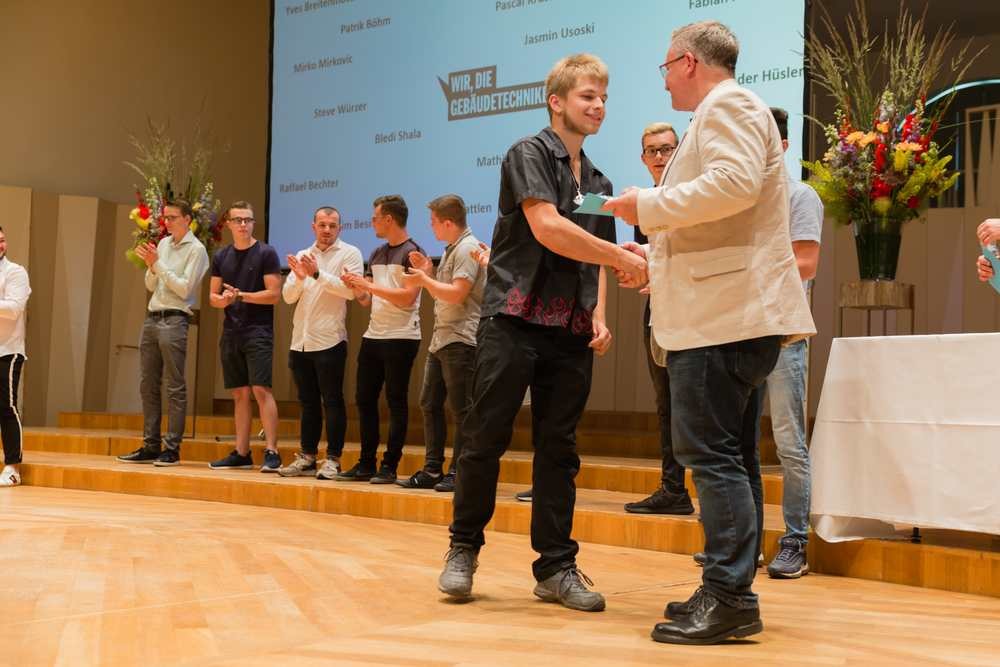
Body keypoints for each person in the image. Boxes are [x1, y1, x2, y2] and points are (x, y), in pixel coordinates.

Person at [603, 21, 815, 644]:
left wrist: (644, 206)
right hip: (724, 312)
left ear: (688, 62)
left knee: (714, 458)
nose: (665, 79)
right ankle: (729, 588)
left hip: (722, 319)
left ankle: (729, 595)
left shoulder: (730, 105)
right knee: (731, 456)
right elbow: (725, 219)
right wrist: (655, 260)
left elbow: (732, 187)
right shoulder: (725, 111)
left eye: (666, 67)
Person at [437, 53, 647, 613]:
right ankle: (463, 548)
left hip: (570, 330)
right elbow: (549, 228)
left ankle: (555, 567)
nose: (598, 106)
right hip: (513, 320)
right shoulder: (527, 154)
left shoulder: (599, 182)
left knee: (560, 449)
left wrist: (599, 313)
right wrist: (622, 259)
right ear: (556, 102)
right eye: (587, 96)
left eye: (604, 98)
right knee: (484, 437)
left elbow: (595, 261)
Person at [761, 107, 823, 579]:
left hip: (783, 333)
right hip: (738, 330)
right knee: (735, 445)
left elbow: (806, 264)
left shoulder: (800, 196)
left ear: (782, 146)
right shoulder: (743, 198)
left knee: (788, 443)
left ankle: (795, 541)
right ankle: (739, 543)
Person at [622, 121, 694, 516]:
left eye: (667, 149)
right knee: (665, 402)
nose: (660, 157)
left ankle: (704, 491)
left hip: (693, 309)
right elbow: (650, 260)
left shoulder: (691, 194)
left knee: (693, 404)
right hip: (657, 309)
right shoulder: (643, 203)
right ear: (643, 158)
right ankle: (673, 488)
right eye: (653, 150)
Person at [397, 194, 484, 493]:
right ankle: (433, 468)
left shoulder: (468, 248)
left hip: (461, 338)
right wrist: (429, 272)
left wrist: (424, 281)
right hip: (442, 339)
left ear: (448, 223)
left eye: (433, 222)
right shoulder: (452, 249)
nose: (431, 227)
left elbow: (457, 294)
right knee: (429, 403)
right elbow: (446, 288)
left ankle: (460, 471)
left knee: (461, 409)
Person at [339, 195, 424, 484]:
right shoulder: (376, 253)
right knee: (364, 399)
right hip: (374, 335)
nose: (372, 222)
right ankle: (366, 463)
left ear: (389, 219)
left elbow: (407, 298)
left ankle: (389, 466)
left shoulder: (414, 253)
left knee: (396, 401)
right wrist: (356, 287)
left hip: (402, 336)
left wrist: (369, 286)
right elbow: (366, 300)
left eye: (375, 218)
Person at [118, 200, 209, 467]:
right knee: (147, 384)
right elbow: (151, 284)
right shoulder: (163, 244)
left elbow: (184, 289)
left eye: (172, 217)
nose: (166, 222)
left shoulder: (197, 250)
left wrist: (158, 265)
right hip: (152, 317)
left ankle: (172, 448)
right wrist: (151, 266)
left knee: (175, 385)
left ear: (187, 219)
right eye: (165, 218)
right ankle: (150, 444)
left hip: (175, 319)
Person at [277, 206, 363, 480]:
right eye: (322, 225)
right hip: (301, 341)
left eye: (332, 225)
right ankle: (307, 457)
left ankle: (333, 459)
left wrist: (317, 274)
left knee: (333, 401)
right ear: (313, 226)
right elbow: (288, 297)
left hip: (330, 340)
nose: (327, 230)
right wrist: (301, 278)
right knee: (308, 403)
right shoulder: (304, 254)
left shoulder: (350, 253)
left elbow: (350, 292)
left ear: (340, 228)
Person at [207, 201, 284, 471]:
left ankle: (272, 450)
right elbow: (213, 297)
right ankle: (242, 452)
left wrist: (242, 296)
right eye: (238, 220)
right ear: (229, 224)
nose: (243, 225)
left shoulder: (266, 252)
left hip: (258, 331)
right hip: (231, 331)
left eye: (248, 220)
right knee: (239, 393)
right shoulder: (221, 256)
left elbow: (274, 294)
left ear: (253, 223)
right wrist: (224, 300)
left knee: (261, 389)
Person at [0, 228, 30, 487]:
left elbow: (13, 308)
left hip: (7, 350)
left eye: (2, 240)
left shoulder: (15, 272)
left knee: (6, 406)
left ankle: (12, 467)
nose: (1, 245)